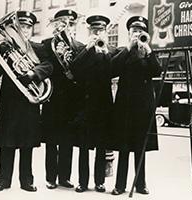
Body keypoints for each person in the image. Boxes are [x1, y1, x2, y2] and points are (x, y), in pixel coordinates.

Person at [0, 11, 53, 192]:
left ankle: (27, 181)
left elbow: (49, 66)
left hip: (27, 102)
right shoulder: (4, 48)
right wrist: (2, 57)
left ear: (31, 30)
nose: (23, 30)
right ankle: (3, 180)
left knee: (27, 143)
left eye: (27, 27)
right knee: (6, 143)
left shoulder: (37, 48)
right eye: (20, 26)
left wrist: (33, 73)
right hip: (9, 103)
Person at [109, 16, 162, 195]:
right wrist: (129, 48)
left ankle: (141, 184)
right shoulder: (123, 51)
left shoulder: (147, 51)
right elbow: (112, 68)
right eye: (134, 31)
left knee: (141, 148)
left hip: (143, 106)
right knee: (124, 148)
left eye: (140, 31)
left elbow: (157, 71)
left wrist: (148, 51)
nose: (137, 34)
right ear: (129, 33)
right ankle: (120, 185)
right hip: (125, 105)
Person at [69, 14, 118, 193]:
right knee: (83, 147)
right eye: (94, 30)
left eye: (101, 30)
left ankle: (99, 182)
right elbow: (74, 69)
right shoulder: (83, 49)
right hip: (85, 106)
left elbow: (112, 71)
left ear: (106, 32)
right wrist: (89, 49)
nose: (98, 33)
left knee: (101, 147)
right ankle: (82, 182)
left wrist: (104, 53)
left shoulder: (110, 51)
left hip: (103, 107)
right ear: (89, 31)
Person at [41, 9, 85, 189]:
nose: (67, 26)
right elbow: (45, 67)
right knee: (52, 142)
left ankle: (64, 178)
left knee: (67, 141)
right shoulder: (46, 44)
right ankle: (51, 177)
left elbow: (82, 73)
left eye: (70, 23)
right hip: (53, 99)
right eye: (62, 23)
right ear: (56, 25)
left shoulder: (80, 46)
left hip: (71, 101)